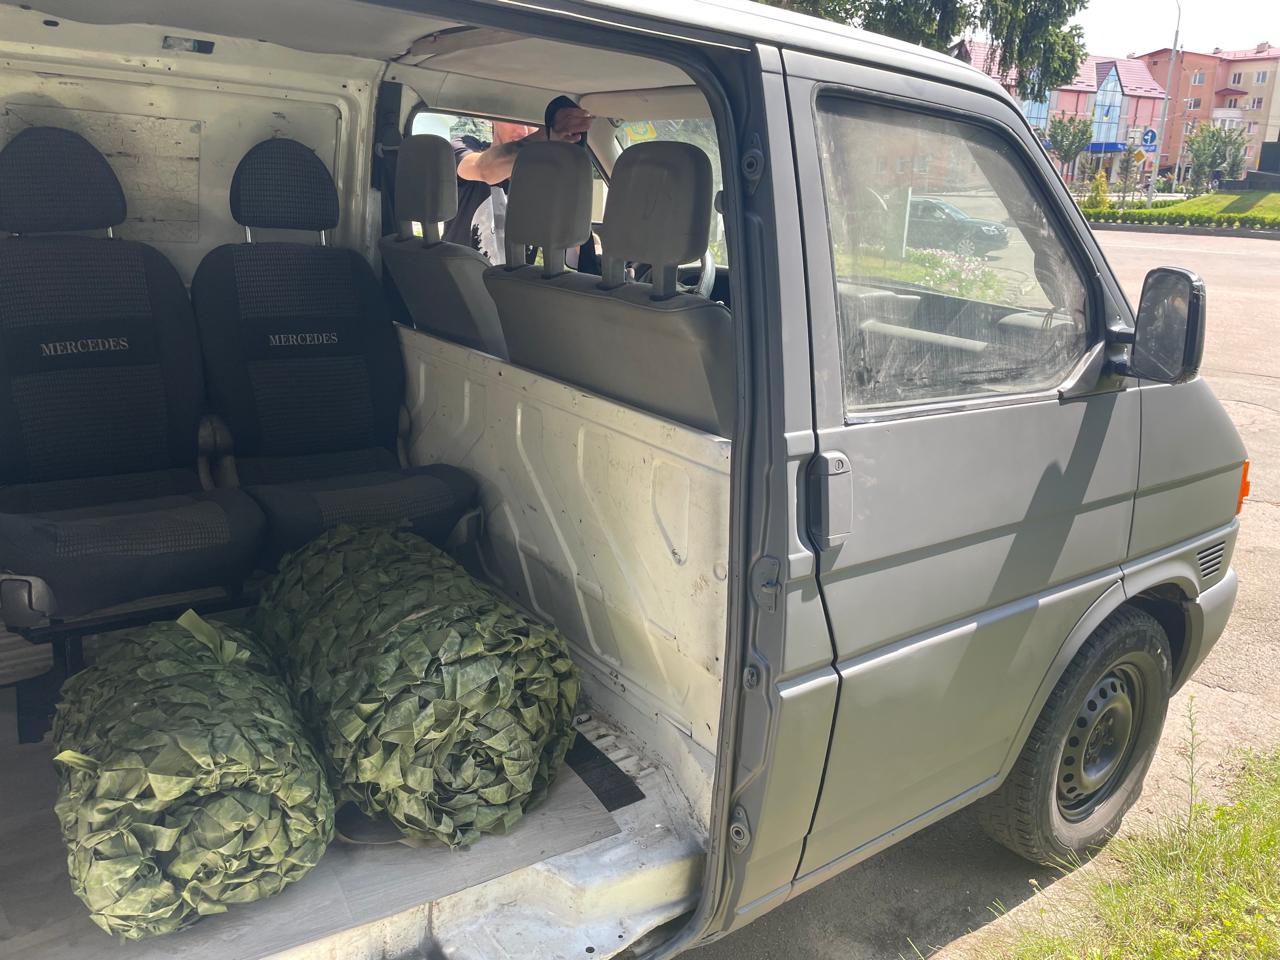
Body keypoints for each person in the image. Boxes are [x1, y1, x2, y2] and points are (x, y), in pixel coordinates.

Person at [445, 96, 592, 262]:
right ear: (493, 119)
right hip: (458, 277)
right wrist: (546, 135)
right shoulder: (463, 148)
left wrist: (595, 247)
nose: (524, 130)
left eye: (533, 123)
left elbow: (570, 229)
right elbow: (484, 169)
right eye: (513, 119)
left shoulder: (544, 177)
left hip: (515, 279)